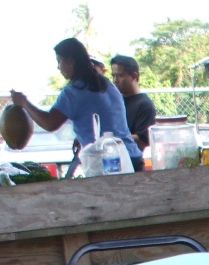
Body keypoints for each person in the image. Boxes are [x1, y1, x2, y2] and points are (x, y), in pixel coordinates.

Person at [10, 38, 143, 171]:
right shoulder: (106, 84)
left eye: (59, 61)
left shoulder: (74, 91)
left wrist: (24, 103)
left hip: (110, 164)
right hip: (132, 157)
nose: (58, 67)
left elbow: (49, 123)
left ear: (71, 62)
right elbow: (105, 119)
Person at [111, 55, 156, 151]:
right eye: (113, 76)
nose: (115, 80)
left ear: (134, 76)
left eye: (120, 75)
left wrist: (114, 139)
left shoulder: (144, 105)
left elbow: (143, 140)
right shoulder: (117, 101)